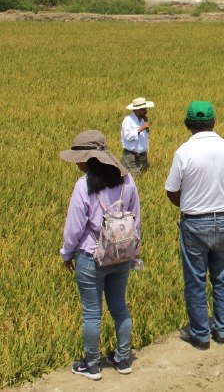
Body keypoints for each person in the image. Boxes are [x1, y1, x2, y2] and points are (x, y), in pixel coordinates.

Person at [60, 130, 140, 380]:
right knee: (119, 307)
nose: (78, 163)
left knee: (92, 312)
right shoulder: (127, 181)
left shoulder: (83, 185)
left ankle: (92, 365)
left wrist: (66, 254)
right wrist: (133, 252)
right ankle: (123, 359)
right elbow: (135, 219)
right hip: (122, 254)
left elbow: (74, 226)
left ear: (89, 159)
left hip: (91, 255)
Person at [165, 101, 224, 349]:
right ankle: (223, 330)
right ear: (214, 121)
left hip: (195, 222)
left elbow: (172, 190)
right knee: (223, 277)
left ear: (187, 124)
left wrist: (189, 203)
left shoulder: (183, 152)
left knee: (196, 280)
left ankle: (200, 334)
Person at [120, 97, 154, 178]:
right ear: (138, 110)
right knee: (133, 180)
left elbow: (144, 137)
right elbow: (127, 137)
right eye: (144, 109)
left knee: (143, 178)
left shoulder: (143, 120)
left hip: (143, 157)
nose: (146, 111)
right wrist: (140, 129)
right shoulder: (128, 120)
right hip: (131, 157)